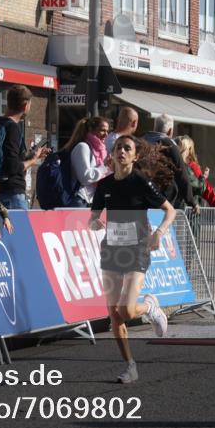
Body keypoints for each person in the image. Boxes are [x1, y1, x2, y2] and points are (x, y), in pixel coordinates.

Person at [88, 135, 176, 384]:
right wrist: (95, 223)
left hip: (137, 249)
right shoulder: (104, 186)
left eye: (127, 149)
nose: (122, 152)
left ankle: (149, 306)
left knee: (126, 310)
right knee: (114, 315)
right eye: (118, 148)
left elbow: (170, 210)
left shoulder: (140, 181)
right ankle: (130, 365)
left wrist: (158, 232)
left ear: (135, 156)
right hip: (112, 250)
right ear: (113, 154)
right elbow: (92, 218)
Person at [0, 85, 50, 210]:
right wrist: (34, 160)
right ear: (25, 105)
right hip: (13, 193)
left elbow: (7, 157)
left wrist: (30, 155)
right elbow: (13, 167)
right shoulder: (13, 128)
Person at [142, 114, 196, 210]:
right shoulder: (169, 145)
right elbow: (181, 173)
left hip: (141, 196)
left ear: (154, 127)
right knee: (162, 224)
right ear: (170, 131)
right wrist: (191, 201)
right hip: (162, 199)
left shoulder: (141, 142)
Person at [65, 116, 111, 206]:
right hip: (79, 200)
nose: (106, 134)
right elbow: (85, 177)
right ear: (91, 129)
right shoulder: (83, 147)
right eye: (102, 130)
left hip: (92, 200)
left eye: (107, 131)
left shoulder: (101, 150)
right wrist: (104, 167)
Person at [176, 135, 215, 209]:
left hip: (168, 210)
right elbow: (205, 189)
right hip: (189, 210)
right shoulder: (192, 166)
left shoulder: (168, 164)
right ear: (190, 149)